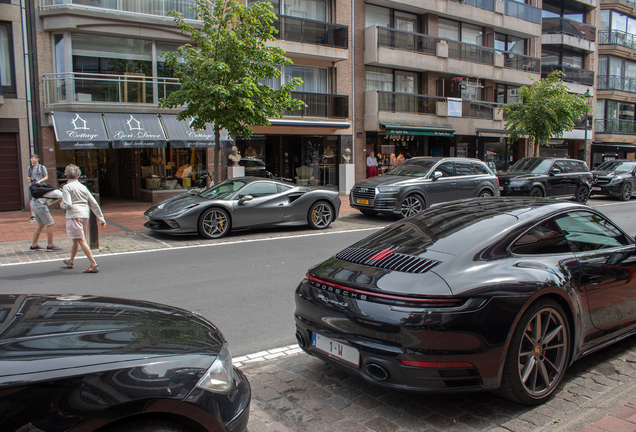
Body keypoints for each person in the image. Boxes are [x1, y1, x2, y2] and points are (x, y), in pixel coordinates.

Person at [60, 164, 106, 273]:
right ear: (78, 175)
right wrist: (101, 217)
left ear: (66, 175)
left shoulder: (66, 187)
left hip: (73, 215)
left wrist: (62, 204)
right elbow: (93, 203)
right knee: (77, 239)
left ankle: (93, 264)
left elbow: (68, 204)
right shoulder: (83, 187)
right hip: (85, 214)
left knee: (80, 239)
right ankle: (71, 261)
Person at [26, 154, 48, 222]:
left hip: (41, 186)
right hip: (32, 186)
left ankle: (42, 214)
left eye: (32, 158)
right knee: (32, 200)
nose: (31, 160)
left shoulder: (42, 167)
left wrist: (39, 181)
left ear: (37, 159)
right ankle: (33, 216)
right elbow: (27, 176)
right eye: (31, 158)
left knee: (42, 200)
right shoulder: (29, 168)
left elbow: (46, 177)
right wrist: (29, 179)